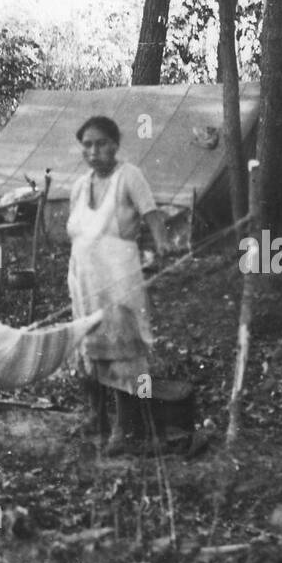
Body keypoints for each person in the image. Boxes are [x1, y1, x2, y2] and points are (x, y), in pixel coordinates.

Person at [67, 115, 171, 453]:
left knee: (126, 353)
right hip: (84, 281)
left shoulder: (129, 177)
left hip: (118, 280)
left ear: (115, 145)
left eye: (100, 143)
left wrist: (162, 244)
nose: (94, 151)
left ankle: (126, 428)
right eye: (87, 145)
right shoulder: (81, 186)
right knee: (89, 348)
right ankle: (97, 418)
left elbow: (152, 214)